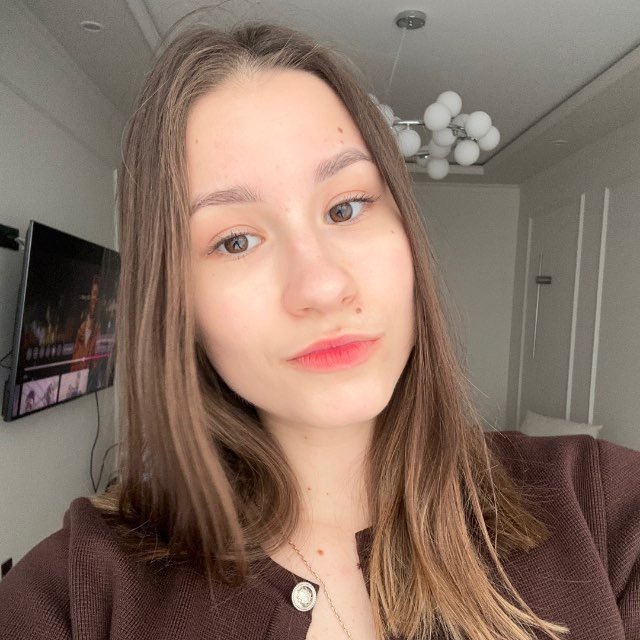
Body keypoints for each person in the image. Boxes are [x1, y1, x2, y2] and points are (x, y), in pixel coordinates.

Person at [0, 21, 638, 640]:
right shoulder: (77, 595)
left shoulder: (598, 510)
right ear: (178, 303)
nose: (322, 286)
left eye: (346, 206)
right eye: (236, 240)